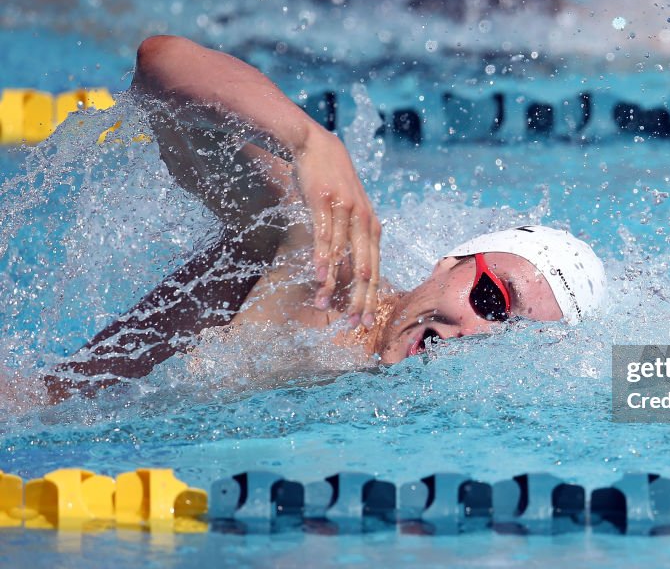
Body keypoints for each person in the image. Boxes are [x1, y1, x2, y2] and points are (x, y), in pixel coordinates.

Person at [43, 35, 606, 403]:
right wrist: (309, 141)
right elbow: (161, 63)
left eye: (514, 338)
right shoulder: (319, 257)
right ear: (449, 263)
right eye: (492, 298)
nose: (480, 333)